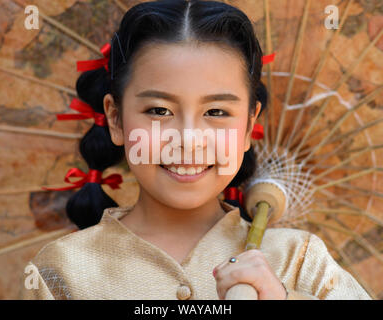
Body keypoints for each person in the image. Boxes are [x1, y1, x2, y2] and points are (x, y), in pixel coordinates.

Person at [19, 0, 371, 300]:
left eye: (216, 112)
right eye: (159, 111)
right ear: (115, 119)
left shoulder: (299, 260)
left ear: (249, 126)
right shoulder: (62, 272)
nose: (188, 139)